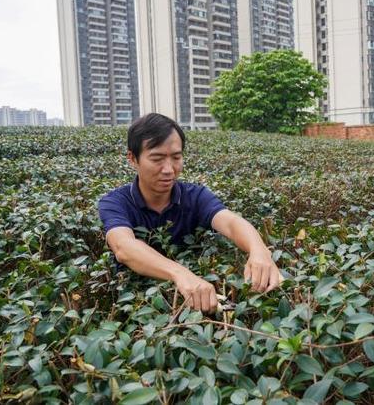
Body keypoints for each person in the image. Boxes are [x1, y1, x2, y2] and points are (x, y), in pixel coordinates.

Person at [98, 113, 282, 314]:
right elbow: (124, 247)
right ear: (133, 159)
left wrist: (259, 250)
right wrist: (180, 274)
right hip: (138, 309)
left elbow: (230, 222)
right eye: (157, 158)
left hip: (202, 308)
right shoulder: (115, 202)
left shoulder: (195, 196)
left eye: (176, 157)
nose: (169, 169)